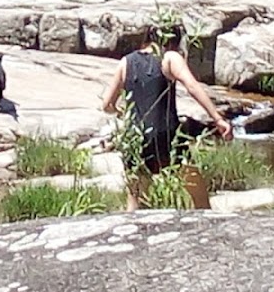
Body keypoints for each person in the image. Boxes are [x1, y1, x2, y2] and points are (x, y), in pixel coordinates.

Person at [100, 21, 233, 210]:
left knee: (136, 201)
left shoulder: (126, 62)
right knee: (199, 195)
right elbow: (193, 87)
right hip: (166, 137)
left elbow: (107, 105)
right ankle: (206, 232)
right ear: (173, 42)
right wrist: (217, 118)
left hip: (135, 139)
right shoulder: (170, 57)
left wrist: (124, 113)